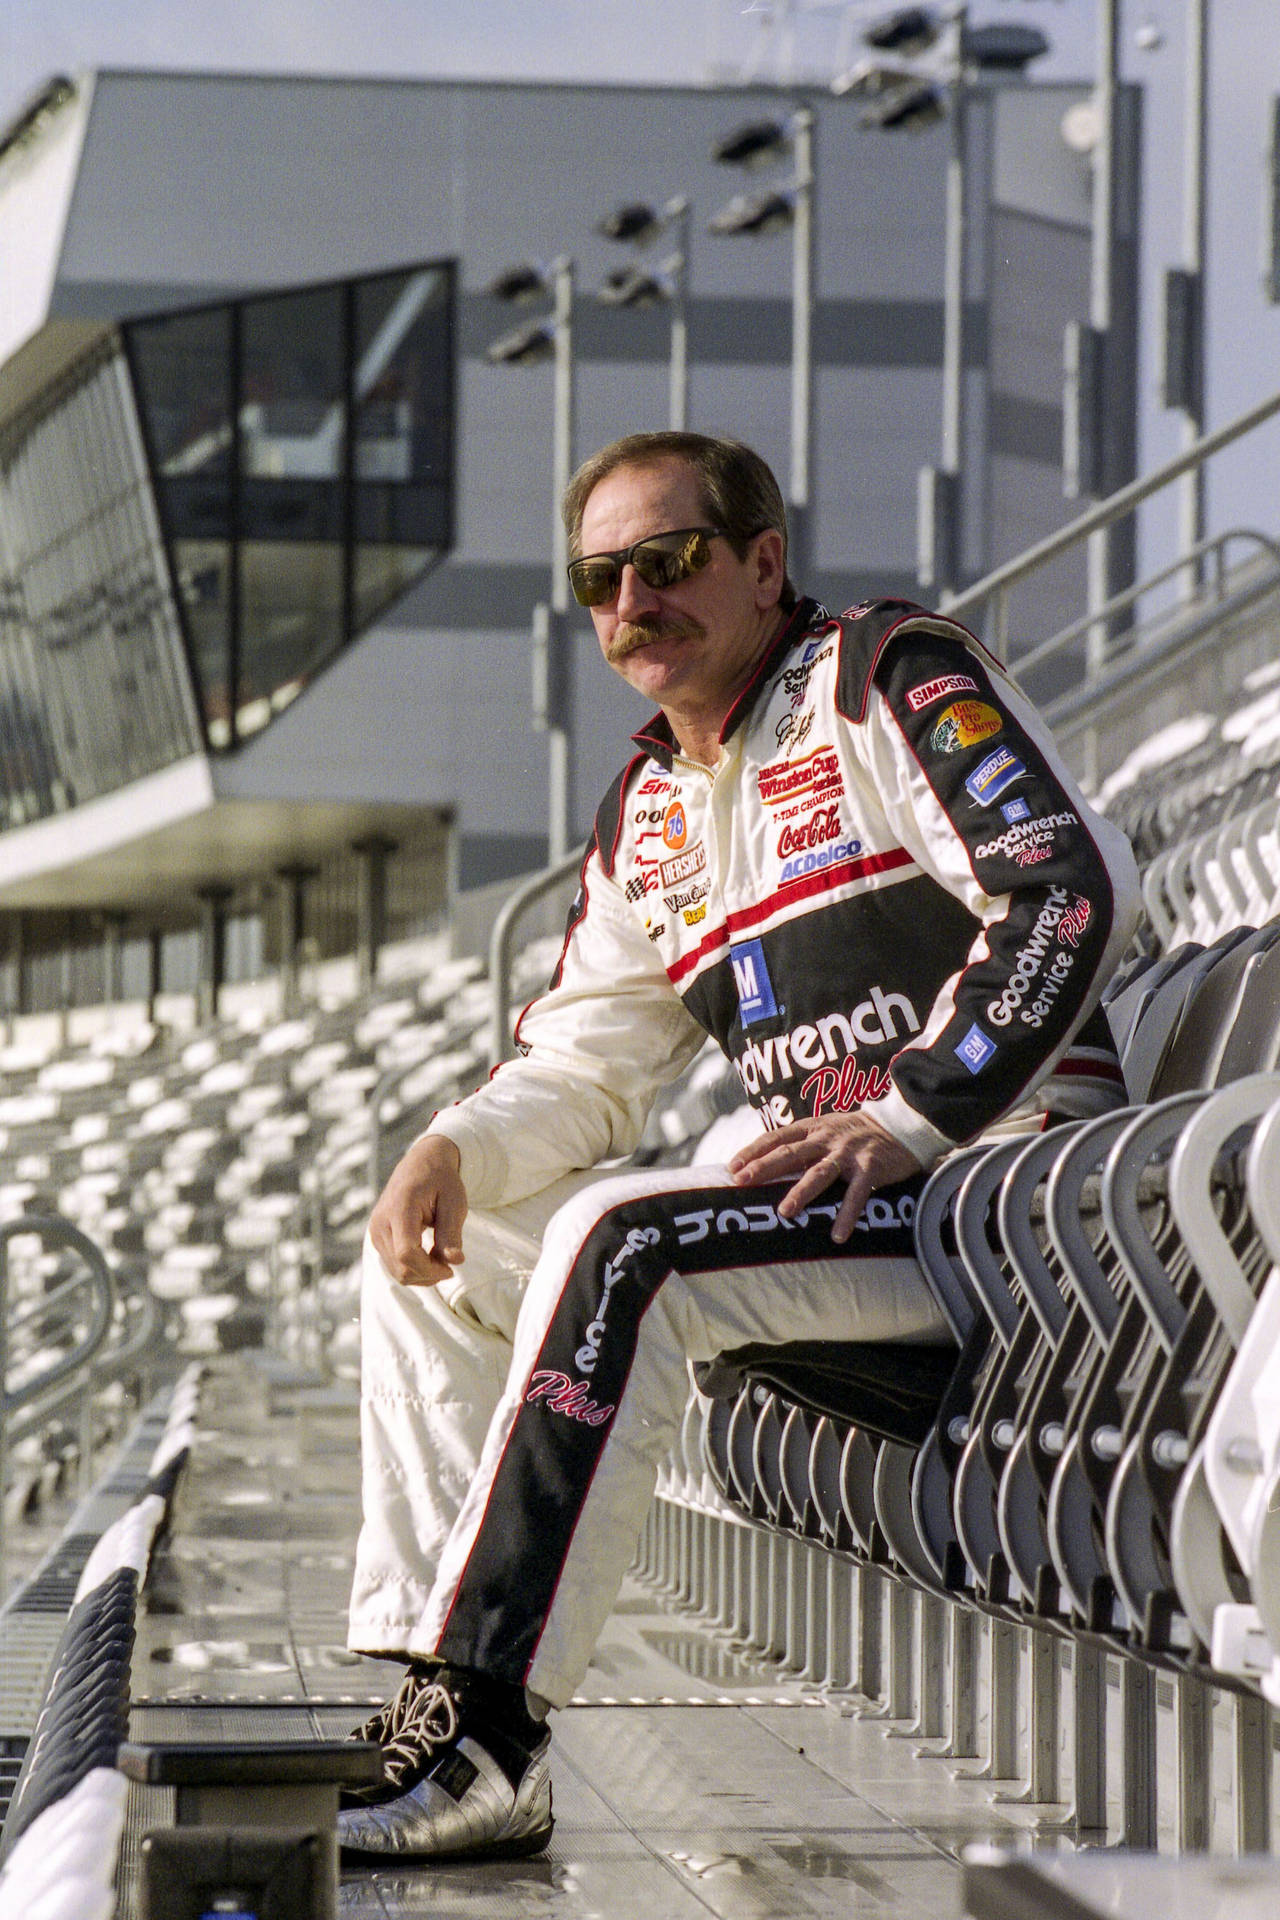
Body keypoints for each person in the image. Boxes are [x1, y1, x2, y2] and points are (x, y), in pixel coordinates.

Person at [338, 431, 1141, 1861]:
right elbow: (584, 1060)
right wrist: (450, 1146)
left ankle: (491, 1728)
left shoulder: (882, 676)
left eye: (670, 559)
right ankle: (433, 1694)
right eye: (601, 576)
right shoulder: (647, 807)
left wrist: (908, 1116)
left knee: (631, 1238)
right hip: (842, 1220)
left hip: (1007, 1198)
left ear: (765, 562)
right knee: (431, 1259)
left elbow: (1064, 891)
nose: (632, 599)